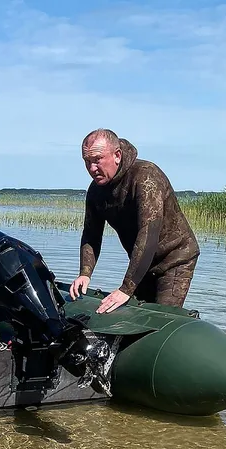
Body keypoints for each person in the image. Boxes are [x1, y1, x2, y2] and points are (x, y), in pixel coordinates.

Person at [69, 129, 200, 314]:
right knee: (134, 315)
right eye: (87, 161)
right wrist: (85, 273)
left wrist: (126, 288)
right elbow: (91, 234)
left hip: (175, 258)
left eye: (97, 160)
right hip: (143, 262)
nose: (92, 168)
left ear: (117, 155)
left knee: (160, 318)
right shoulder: (96, 191)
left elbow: (148, 234)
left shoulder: (146, 177)